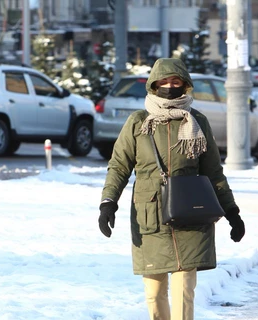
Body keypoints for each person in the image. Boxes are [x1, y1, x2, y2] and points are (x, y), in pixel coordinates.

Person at [98, 58, 245, 320]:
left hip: (191, 216)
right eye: (164, 81)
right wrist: (108, 203)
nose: (170, 85)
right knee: (154, 294)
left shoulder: (197, 121)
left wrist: (232, 211)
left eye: (176, 81)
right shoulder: (138, 122)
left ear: (185, 85)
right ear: (153, 85)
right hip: (150, 218)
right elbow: (119, 166)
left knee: (184, 291)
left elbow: (213, 172)